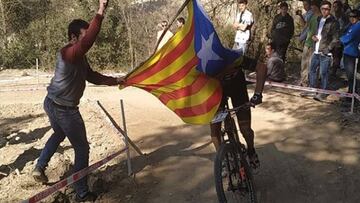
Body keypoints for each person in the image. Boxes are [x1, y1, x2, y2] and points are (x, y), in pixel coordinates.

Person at [31, 0, 125, 201]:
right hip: (64, 109)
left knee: (58, 133)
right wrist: (101, 10)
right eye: (83, 36)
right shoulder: (69, 52)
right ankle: (82, 191)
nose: (86, 41)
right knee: (82, 147)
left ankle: (39, 166)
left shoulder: (79, 57)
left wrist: (115, 80)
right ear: (73, 38)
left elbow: (92, 76)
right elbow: (88, 41)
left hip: (52, 103)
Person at [210, 52, 267, 169]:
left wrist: (257, 94)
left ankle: (251, 151)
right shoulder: (203, 64)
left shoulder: (234, 57)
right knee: (214, 129)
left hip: (237, 86)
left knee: (245, 129)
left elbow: (262, 67)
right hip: (215, 89)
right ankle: (223, 160)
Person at [308, 0, 340, 101]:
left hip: (325, 52)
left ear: (330, 10)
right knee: (312, 70)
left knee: (324, 73)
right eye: (323, 9)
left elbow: (336, 38)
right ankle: (313, 89)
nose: (325, 11)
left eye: (327, 9)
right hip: (316, 50)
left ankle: (323, 93)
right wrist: (314, 37)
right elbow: (318, 33)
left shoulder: (334, 22)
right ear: (320, 9)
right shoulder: (319, 19)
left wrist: (328, 49)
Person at [340, 9, 360, 105]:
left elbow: (347, 38)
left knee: (352, 76)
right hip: (348, 52)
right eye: (350, 17)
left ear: (358, 17)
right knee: (350, 76)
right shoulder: (351, 25)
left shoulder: (357, 26)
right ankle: (350, 94)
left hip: (352, 54)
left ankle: (353, 97)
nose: (352, 18)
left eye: (354, 16)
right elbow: (345, 33)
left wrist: (339, 39)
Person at [299, 0, 321, 87]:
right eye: (311, 6)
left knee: (313, 65)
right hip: (307, 42)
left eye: (313, 6)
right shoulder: (311, 16)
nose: (311, 8)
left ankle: (313, 83)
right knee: (304, 63)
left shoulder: (321, 18)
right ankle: (304, 81)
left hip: (315, 44)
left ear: (316, 6)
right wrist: (301, 37)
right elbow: (306, 27)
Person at [331, 0, 350, 77]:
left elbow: (349, 25)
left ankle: (336, 72)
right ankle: (334, 71)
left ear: (340, 7)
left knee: (339, 56)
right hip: (333, 39)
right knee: (334, 56)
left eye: (336, 6)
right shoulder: (332, 16)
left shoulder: (345, 16)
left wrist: (343, 30)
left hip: (342, 39)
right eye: (334, 6)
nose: (335, 8)